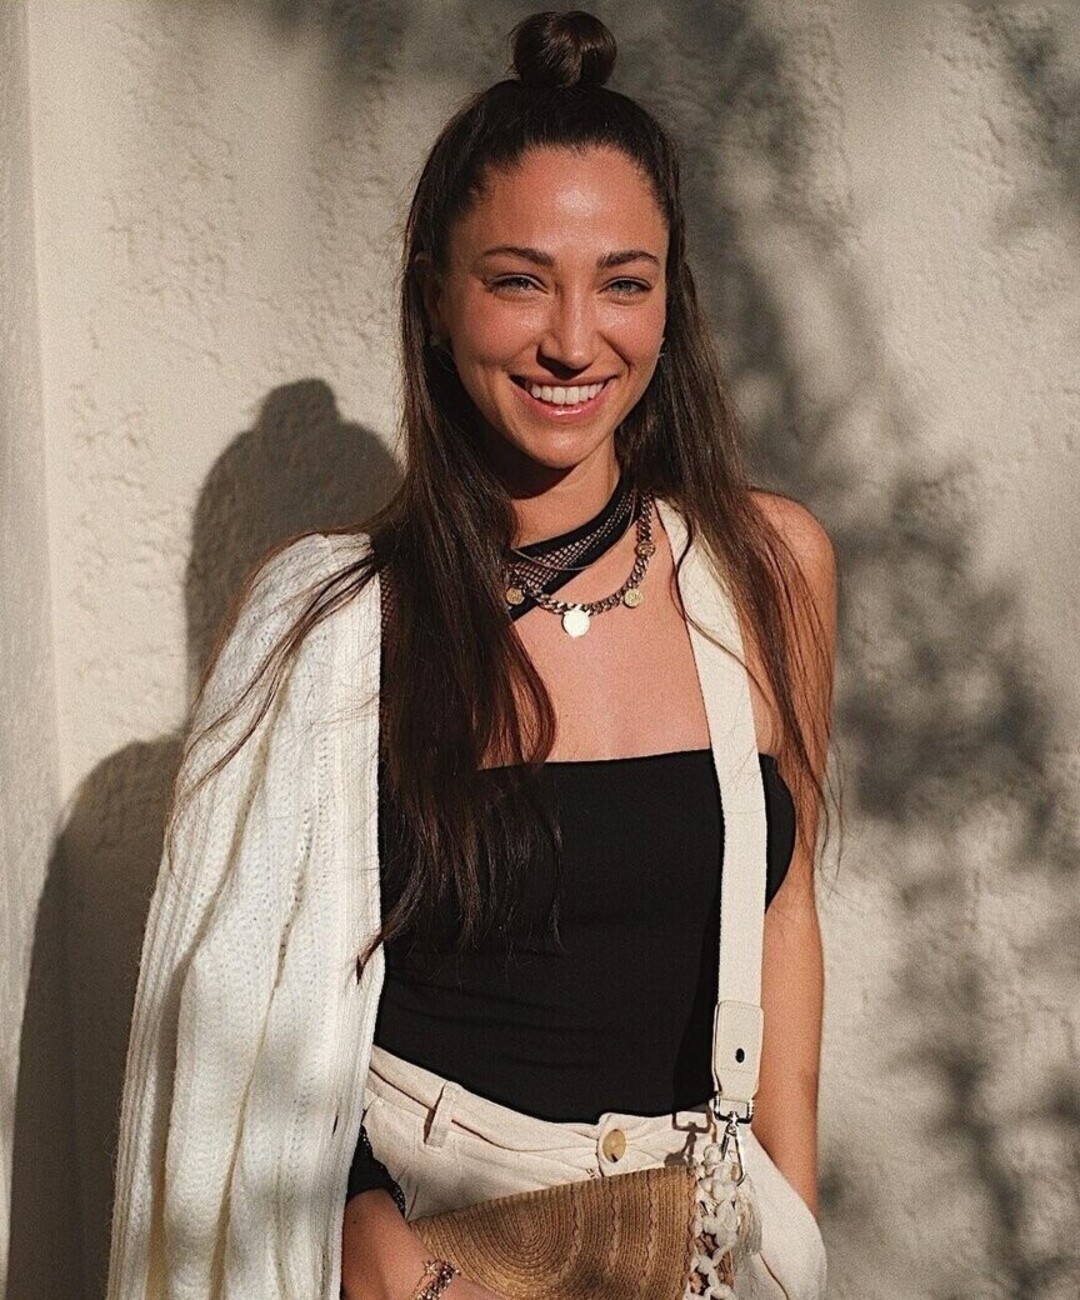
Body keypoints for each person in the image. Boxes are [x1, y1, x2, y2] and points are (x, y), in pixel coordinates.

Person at [106, 11, 836, 1300]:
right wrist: (361, 1230)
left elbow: (783, 911)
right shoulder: (335, 628)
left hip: (706, 1251)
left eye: (624, 282)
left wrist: (795, 1227)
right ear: (435, 296)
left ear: (671, 300)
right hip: (438, 1255)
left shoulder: (767, 566)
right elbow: (236, 1032)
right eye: (518, 280)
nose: (575, 340)